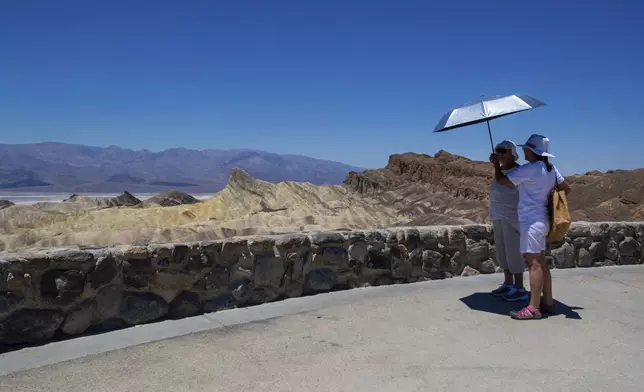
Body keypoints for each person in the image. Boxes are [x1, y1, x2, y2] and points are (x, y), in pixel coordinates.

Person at [490, 134, 571, 320]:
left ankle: (533, 307)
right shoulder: (550, 168)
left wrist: (496, 165)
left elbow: (502, 181)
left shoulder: (531, 169)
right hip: (543, 219)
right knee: (542, 262)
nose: (524, 150)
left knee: (533, 264)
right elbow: (566, 188)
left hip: (531, 221)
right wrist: (547, 199)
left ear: (532, 151)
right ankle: (548, 302)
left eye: (526, 148)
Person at [488, 140, 528, 302]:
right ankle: (508, 283)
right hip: (498, 216)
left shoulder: (518, 171)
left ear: (512, 152)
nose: (500, 154)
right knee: (502, 253)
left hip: (512, 218)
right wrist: (497, 166)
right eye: (498, 150)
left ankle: (519, 287)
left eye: (504, 151)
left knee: (513, 254)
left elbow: (502, 181)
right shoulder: (500, 170)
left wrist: (496, 166)